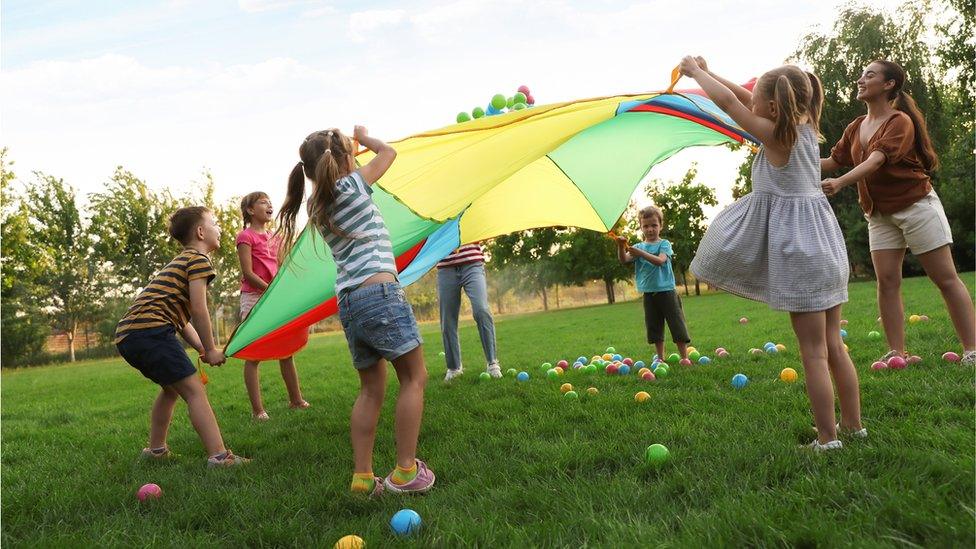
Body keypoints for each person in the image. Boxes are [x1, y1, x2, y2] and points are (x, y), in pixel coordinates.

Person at [682, 56, 863, 451]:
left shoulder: (778, 137)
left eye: (759, 103)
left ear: (774, 108)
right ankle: (853, 426)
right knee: (834, 346)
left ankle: (828, 438)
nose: (751, 106)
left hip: (802, 254)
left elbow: (731, 105)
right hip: (827, 249)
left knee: (814, 353)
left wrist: (695, 75)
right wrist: (710, 72)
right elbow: (745, 98)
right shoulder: (805, 128)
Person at [276, 126, 435, 495]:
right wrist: (367, 139)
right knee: (414, 378)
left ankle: (363, 478)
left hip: (349, 302)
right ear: (346, 159)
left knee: (370, 391)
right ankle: (406, 472)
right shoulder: (352, 185)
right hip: (379, 292)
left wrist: (349, 151)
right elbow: (389, 154)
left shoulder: (317, 205)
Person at [821, 59, 975, 366]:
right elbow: (831, 161)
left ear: (889, 84)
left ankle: (972, 349)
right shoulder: (855, 127)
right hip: (878, 214)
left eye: (869, 75)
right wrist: (786, 157)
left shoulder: (899, 121)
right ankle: (896, 351)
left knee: (945, 278)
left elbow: (877, 160)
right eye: (861, 74)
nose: (860, 79)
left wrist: (840, 183)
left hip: (915, 206)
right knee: (887, 282)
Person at [115, 206, 250, 467]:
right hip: (151, 331)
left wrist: (200, 347)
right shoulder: (198, 260)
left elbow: (181, 319)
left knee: (170, 389)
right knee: (194, 391)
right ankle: (220, 457)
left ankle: (155, 451)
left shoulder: (179, 261)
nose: (218, 227)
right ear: (200, 232)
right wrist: (211, 349)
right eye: (214, 223)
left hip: (129, 335)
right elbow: (199, 309)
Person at [236, 191, 309, 421]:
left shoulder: (274, 237)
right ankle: (258, 410)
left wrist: (284, 290)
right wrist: (270, 291)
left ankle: (296, 400)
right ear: (250, 210)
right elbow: (247, 273)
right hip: (255, 297)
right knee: (254, 355)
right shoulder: (245, 237)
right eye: (263, 202)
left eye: (269, 202)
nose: (269, 205)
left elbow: (281, 266)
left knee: (286, 351)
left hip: (274, 296)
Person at [616, 206, 691, 363]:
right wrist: (620, 246)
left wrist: (641, 254)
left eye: (654, 225)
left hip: (667, 292)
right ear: (641, 227)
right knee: (654, 327)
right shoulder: (638, 247)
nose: (650, 229)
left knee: (676, 324)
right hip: (649, 294)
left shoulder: (664, 244)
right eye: (646, 226)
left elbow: (660, 261)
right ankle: (660, 358)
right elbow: (624, 260)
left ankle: (684, 357)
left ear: (660, 226)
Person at [437, 243, 501, 381]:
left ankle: (492, 363)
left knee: (482, 310)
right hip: (445, 268)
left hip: (472, 264)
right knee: (447, 319)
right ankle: (454, 368)